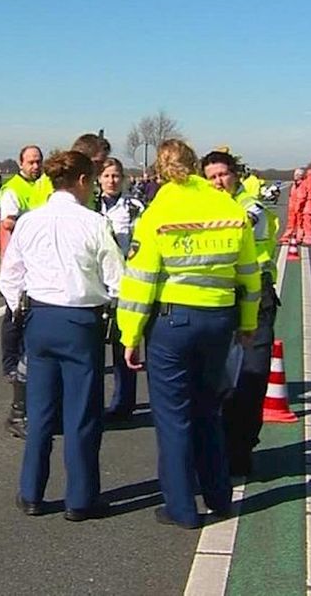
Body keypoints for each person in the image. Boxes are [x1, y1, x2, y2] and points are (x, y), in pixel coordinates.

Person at [117, 139, 261, 529]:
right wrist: (247, 322)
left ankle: (182, 507)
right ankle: (219, 496)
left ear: (162, 171)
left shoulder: (160, 210)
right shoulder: (227, 207)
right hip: (219, 318)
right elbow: (249, 274)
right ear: (196, 166)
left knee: (173, 417)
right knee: (209, 411)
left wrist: (129, 334)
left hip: (174, 321)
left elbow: (140, 280)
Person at [0, 150, 125, 521]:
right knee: (82, 414)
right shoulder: (94, 223)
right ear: (84, 181)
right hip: (80, 321)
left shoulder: (30, 221)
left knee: (39, 411)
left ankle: (31, 492)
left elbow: (10, 277)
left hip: (39, 318)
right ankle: (80, 498)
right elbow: (117, 279)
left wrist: (23, 310)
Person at [201, 150, 280, 477]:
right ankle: (217, 445)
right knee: (217, 376)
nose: (219, 182)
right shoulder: (206, 205)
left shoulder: (251, 205)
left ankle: (242, 446)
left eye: (223, 174)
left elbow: (241, 225)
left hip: (254, 295)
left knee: (252, 374)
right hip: (219, 296)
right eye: (212, 178)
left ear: (235, 174)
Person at [0, 145, 51, 438]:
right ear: (20, 163)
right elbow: (8, 220)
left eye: (38, 161)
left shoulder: (47, 183)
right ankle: (10, 364)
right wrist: (35, 223)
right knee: (14, 313)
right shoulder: (12, 188)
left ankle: (28, 366)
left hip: (41, 257)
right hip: (16, 258)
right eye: (31, 162)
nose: (35, 166)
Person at [97, 157, 145, 420]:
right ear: (98, 179)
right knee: (92, 351)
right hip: (94, 286)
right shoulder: (89, 206)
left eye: (116, 176)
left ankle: (123, 403)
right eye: (106, 176)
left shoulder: (135, 207)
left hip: (125, 287)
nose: (111, 181)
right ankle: (92, 402)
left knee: (123, 347)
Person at [70, 132, 112, 211]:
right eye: (98, 163)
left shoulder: (89, 187)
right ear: (80, 159)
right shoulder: (57, 183)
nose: (102, 169)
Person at [280, 168, 307, 243]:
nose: (295, 176)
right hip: (292, 206)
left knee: (300, 223)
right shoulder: (294, 184)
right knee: (291, 222)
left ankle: (299, 238)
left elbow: (302, 196)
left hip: (299, 207)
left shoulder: (302, 184)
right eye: (295, 175)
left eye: (297, 175)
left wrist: (299, 206)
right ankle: (287, 236)